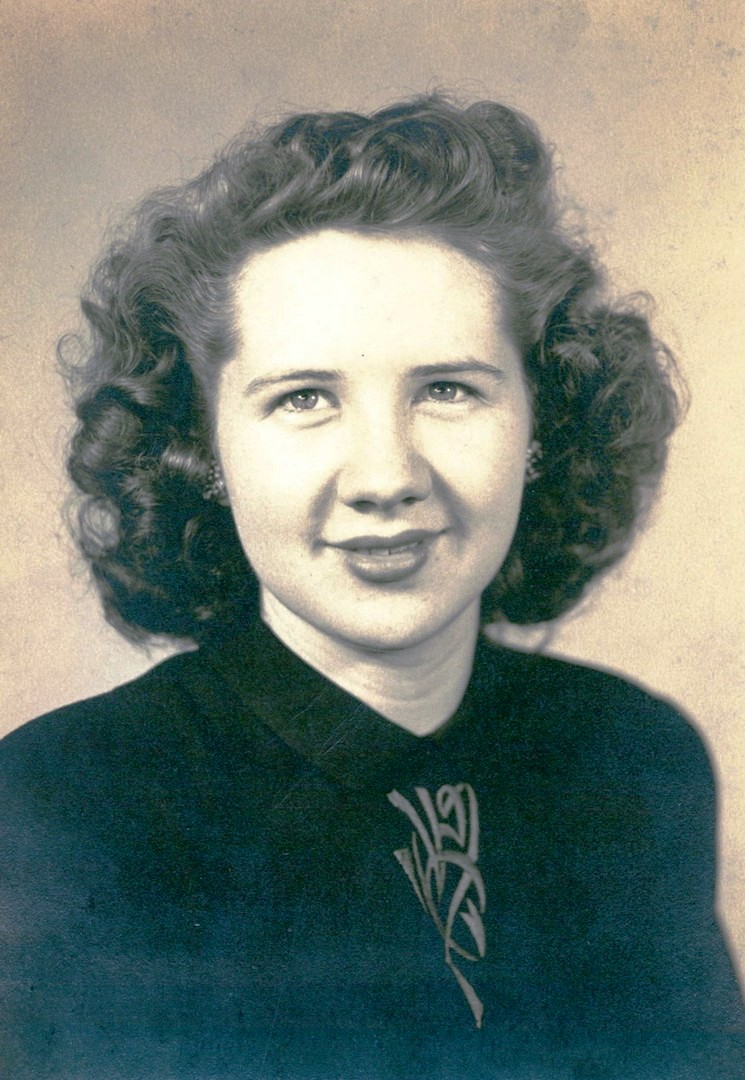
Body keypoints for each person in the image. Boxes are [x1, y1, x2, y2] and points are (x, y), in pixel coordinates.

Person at [0, 94, 742, 1079]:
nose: (386, 477)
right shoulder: (68, 803)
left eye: (448, 389)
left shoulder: (628, 757)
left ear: (540, 423)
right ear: (201, 450)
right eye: (304, 398)